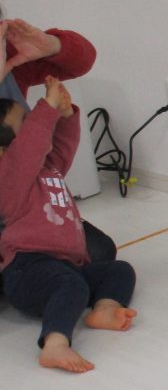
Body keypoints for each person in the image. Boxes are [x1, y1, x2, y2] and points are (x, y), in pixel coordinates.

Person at [0, 77, 136, 373]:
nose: (35, 122)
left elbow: (61, 145)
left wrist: (65, 114)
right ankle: (55, 343)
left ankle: (105, 308)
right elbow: (27, 148)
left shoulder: (47, 167)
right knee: (70, 285)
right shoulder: (9, 178)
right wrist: (46, 106)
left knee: (119, 270)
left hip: (64, 264)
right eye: (25, 121)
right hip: (27, 268)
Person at [0, 8, 115, 265]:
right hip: (11, 213)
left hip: (23, 211)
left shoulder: (11, 61)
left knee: (99, 251)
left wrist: (53, 46)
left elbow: (83, 59)